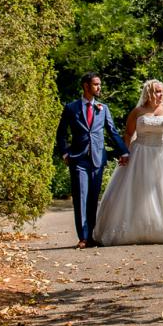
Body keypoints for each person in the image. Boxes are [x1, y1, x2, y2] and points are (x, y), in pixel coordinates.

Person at [92, 78, 163, 246]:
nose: (160, 95)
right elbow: (128, 133)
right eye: (157, 91)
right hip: (139, 153)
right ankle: (137, 228)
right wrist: (125, 153)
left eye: (162, 91)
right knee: (138, 191)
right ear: (148, 92)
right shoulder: (137, 111)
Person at [54, 73, 130, 249]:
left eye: (99, 85)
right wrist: (65, 153)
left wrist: (124, 152)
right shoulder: (71, 108)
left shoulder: (103, 108)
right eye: (96, 85)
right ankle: (83, 237)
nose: (99, 88)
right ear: (86, 86)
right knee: (81, 196)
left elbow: (113, 132)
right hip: (78, 159)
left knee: (93, 198)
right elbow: (61, 133)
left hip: (97, 158)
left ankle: (92, 236)